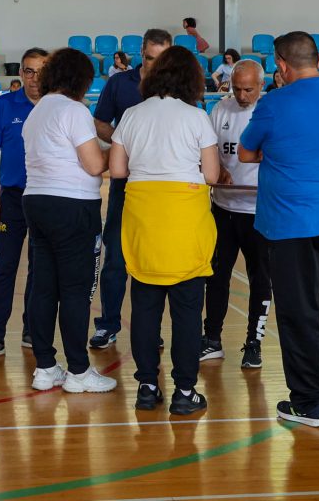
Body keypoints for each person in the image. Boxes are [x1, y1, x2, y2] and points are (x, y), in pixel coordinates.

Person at [238, 31, 319, 427]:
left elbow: (245, 151)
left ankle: (308, 402)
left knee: (299, 311)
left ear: (282, 65)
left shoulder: (274, 102)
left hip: (292, 223)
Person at [109, 46, 220, 415]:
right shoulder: (196, 117)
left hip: (143, 220)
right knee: (187, 312)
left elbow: (119, 170)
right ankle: (184, 392)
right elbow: (212, 175)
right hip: (184, 221)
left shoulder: (131, 115)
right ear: (192, 79)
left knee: (144, 308)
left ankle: (145, 385)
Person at [23, 47, 114, 394]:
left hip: (37, 201)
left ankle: (46, 367)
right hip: (73, 207)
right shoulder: (74, 110)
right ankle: (78, 371)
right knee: (76, 290)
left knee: (44, 286)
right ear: (81, 79)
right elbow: (94, 165)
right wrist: (120, 148)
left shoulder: (38, 110)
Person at [91, 28, 172, 350]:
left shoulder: (177, 90)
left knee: (156, 260)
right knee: (116, 258)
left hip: (164, 188)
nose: (155, 66)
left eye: (162, 59)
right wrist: (124, 141)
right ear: (141, 53)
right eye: (151, 58)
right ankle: (108, 324)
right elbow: (98, 121)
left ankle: (150, 329)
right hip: (125, 185)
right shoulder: (119, 83)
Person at [0, 48, 48, 361]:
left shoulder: (58, 107)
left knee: (39, 269)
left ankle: (32, 327)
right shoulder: (5, 105)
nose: (35, 78)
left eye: (41, 71)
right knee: (5, 267)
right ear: (21, 74)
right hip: (13, 199)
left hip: (46, 199)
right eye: (29, 71)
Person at [203, 60, 271, 368]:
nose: (242, 95)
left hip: (259, 211)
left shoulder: (271, 110)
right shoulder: (220, 110)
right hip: (224, 208)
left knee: (261, 278)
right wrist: (217, 170)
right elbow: (210, 148)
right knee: (217, 275)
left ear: (261, 85)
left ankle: (253, 343)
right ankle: (212, 339)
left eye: (248, 89)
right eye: (236, 88)